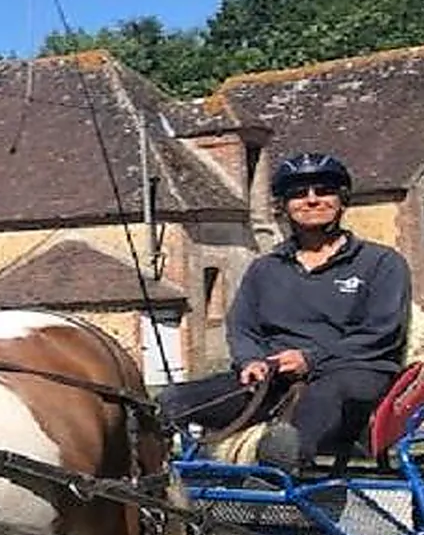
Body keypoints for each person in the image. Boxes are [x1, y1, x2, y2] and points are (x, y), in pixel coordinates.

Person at [159, 151, 413, 472]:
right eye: (298, 194)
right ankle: (156, 496)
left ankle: (280, 468)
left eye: (323, 190)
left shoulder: (381, 263)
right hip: (272, 376)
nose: (311, 200)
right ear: (284, 206)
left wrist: (311, 359)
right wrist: (251, 360)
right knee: (169, 403)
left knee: (294, 433)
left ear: (342, 200)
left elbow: (382, 332)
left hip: (353, 371)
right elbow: (243, 326)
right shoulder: (265, 269)